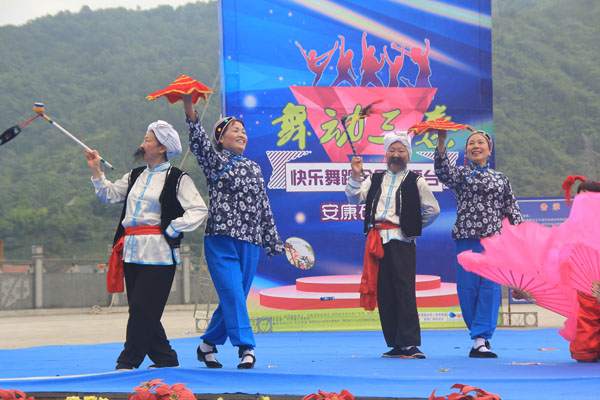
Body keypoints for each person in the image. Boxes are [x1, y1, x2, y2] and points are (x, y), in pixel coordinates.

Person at [86, 120, 208, 370]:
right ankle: (165, 358)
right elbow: (109, 194)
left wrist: (172, 228)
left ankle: (128, 360)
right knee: (142, 308)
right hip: (131, 249)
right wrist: (96, 170)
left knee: (142, 308)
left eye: (148, 140)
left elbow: (198, 209)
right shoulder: (135, 175)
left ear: (162, 147)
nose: (142, 144)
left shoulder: (177, 178)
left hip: (159, 251)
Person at [183, 94, 284, 369]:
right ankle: (246, 347)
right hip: (221, 240)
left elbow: (264, 206)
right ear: (221, 138)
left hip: (250, 241)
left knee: (234, 296)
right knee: (233, 294)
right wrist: (189, 107)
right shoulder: (215, 161)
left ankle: (207, 345)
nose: (241, 134)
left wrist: (272, 241)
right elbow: (198, 141)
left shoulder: (254, 167)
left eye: (243, 131)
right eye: (234, 130)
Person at [345, 131, 440, 359]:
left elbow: (433, 210)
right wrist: (356, 174)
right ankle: (396, 343)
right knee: (385, 292)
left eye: (401, 150)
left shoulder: (416, 180)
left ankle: (410, 343)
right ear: (386, 154)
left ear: (408, 154)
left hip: (401, 241)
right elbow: (355, 197)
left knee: (404, 290)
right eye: (392, 150)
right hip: (377, 240)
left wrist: (411, 227)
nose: (396, 154)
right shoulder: (375, 179)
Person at [434, 129, 522, 358]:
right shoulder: (460, 174)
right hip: (466, 238)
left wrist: (521, 236)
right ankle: (478, 336)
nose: (476, 146)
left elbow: (511, 209)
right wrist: (442, 142)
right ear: (466, 150)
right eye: (471, 143)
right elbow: (442, 172)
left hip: (494, 242)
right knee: (468, 288)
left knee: (490, 289)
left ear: (489, 150)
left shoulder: (501, 178)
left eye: (480, 143)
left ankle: (481, 339)